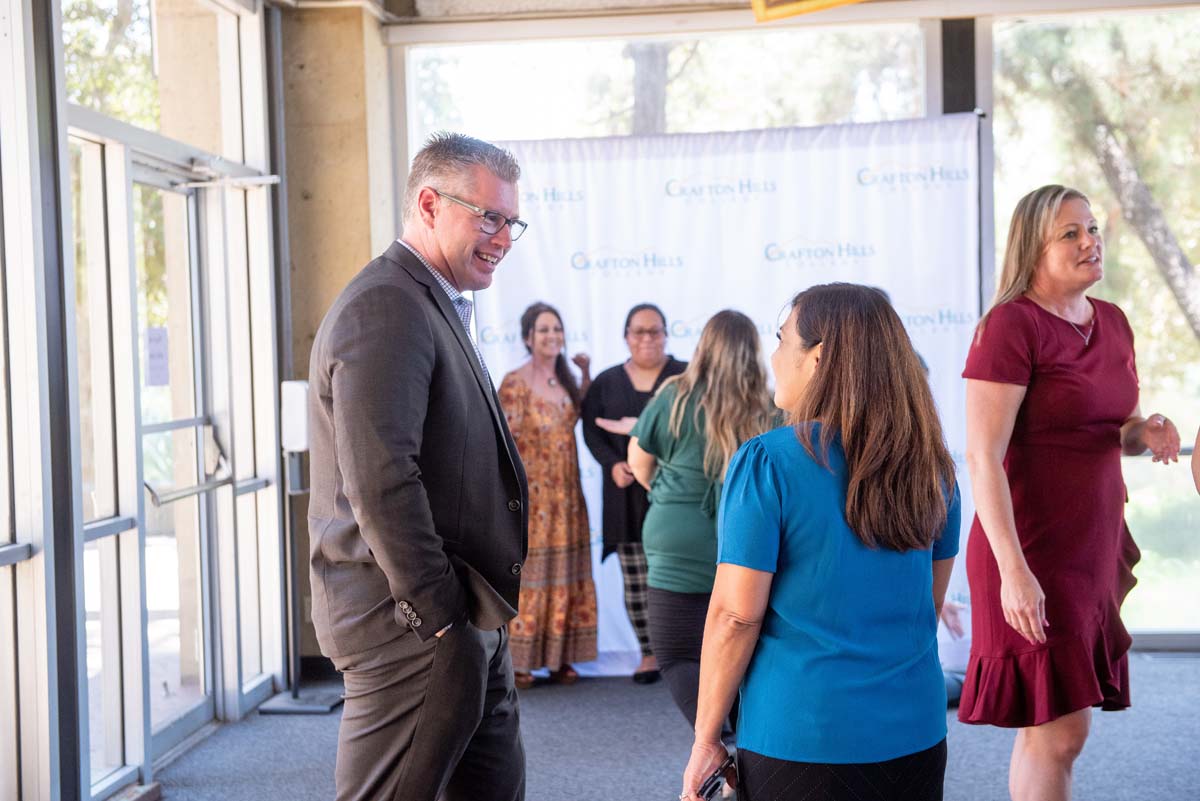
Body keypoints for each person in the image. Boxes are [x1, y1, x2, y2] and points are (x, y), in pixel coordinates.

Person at [307, 132, 530, 801]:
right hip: (411, 626)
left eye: (511, 221)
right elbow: (380, 480)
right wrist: (439, 618)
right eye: (488, 217)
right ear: (429, 205)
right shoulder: (386, 305)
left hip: (466, 615)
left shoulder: (433, 300)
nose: (503, 237)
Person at [682, 283, 961, 801]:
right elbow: (927, 602)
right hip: (916, 731)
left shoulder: (767, 462)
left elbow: (735, 616)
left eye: (782, 339)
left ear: (818, 357)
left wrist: (705, 738)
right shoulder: (934, 469)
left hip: (802, 737)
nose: (773, 355)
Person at [958, 185, 1181, 801]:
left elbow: (1122, 430)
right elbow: (982, 456)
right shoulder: (1009, 325)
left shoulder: (1112, 321)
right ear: (1034, 249)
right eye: (1070, 234)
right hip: (1029, 549)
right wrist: (1013, 571)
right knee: (1055, 733)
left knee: (1058, 733)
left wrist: (1149, 428)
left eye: (1093, 230)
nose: (1090, 242)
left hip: (1091, 546)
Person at [614, 310, 774, 750]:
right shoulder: (771, 406)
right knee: (747, 652)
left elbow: (640, 463)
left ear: (703, 347)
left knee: (679, 655)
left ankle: (719, 746)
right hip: (747, 541)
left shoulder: (674, 397)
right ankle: (753, 744)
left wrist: (671, 497)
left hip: (676, 538)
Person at [581, 303, 686, 683]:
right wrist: (612, 463)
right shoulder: (606, 382)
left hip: (676, 494)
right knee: (636, 578)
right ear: (626, 337)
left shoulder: (685, 377)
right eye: (639, 332)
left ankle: (686, 653)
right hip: (625, 494)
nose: (647, 339)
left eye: (654, 331)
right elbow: (591, 431)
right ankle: (649, 653)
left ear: (666, 334)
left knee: (681, 577)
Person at [498, 302, 599, 689]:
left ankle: (562, 660)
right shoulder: (514, 383)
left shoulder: (566, 379)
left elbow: (579, 414)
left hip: (569, 498)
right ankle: (521, 662)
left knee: (567, 575)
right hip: (534, 500)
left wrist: (586, 372)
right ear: (528, 337)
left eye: (556, 328)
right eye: (543, 330)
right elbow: (502, 443)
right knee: (532, 577)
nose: (552, 335)